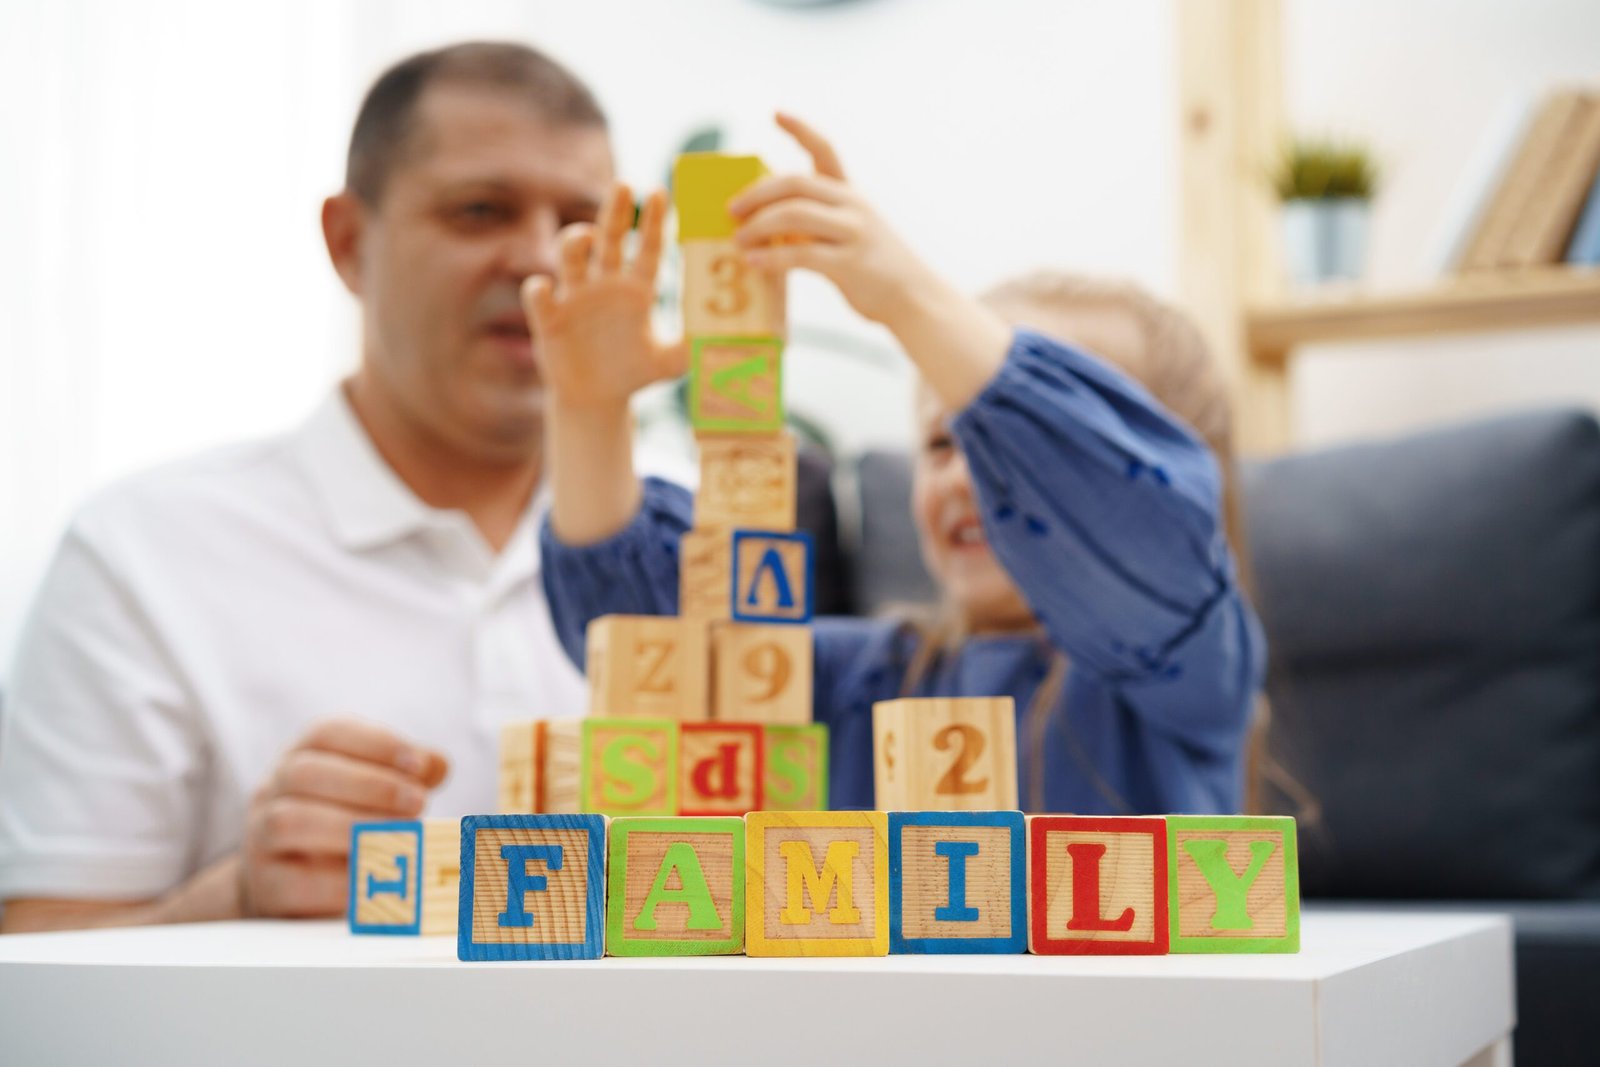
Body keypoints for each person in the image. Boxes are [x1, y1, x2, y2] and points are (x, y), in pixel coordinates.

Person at [0, 42, 629, 932]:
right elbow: (34, 966)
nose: (539, 260)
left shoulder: (688, 540)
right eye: (480, 210)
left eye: (582, 223)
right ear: (348, 242)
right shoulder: (142, 549)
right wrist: (239, 896)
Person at [532, 114, 1266, 814]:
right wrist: (591, 412)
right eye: (943, 444)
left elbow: (1133, 524)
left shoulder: (1187, 664)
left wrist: (908, 298)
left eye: (1009, 448)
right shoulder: (860, 675)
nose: (963, 476)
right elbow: (646, 645)